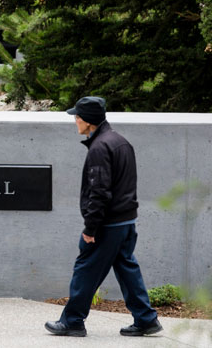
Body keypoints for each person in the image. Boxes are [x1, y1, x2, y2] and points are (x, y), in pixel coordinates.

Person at [44, 96, 162, 338]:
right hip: (126, 221)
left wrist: (90, 228)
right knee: (127, 269)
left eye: (77, 116)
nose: (75, 120)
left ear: (88, 121)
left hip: (108, 224)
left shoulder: (100, 148)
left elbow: (100, 193)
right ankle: (146, 319)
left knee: (86, 269)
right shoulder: (120, 142)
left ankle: (73, 321)